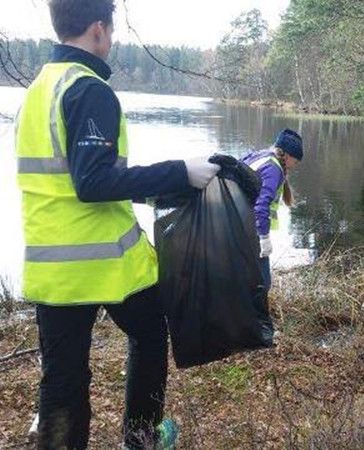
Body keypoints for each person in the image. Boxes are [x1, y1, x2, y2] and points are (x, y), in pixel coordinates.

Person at [14, 0, 220, 448]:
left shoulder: (38, 90)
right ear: (98, 31)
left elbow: (73, 179)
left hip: (53, 269)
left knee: (62, 383)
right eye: (112, 30)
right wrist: (180, 172)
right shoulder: (90, 89)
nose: (113, 39)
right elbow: (93, 181)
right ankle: (141, 440)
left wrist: (162, 187)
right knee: (149, 334)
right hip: (106, 264)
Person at [240, 129, 303, 324]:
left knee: (246, 276)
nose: (295, 166)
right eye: (296, 161)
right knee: (262, 282)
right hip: (250, 229)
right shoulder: (274, 169)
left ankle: (244, 318)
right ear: (289, 155)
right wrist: (264, 238)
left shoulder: (262, 155)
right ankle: (254, 324)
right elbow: (261, 205)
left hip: (238, 223)